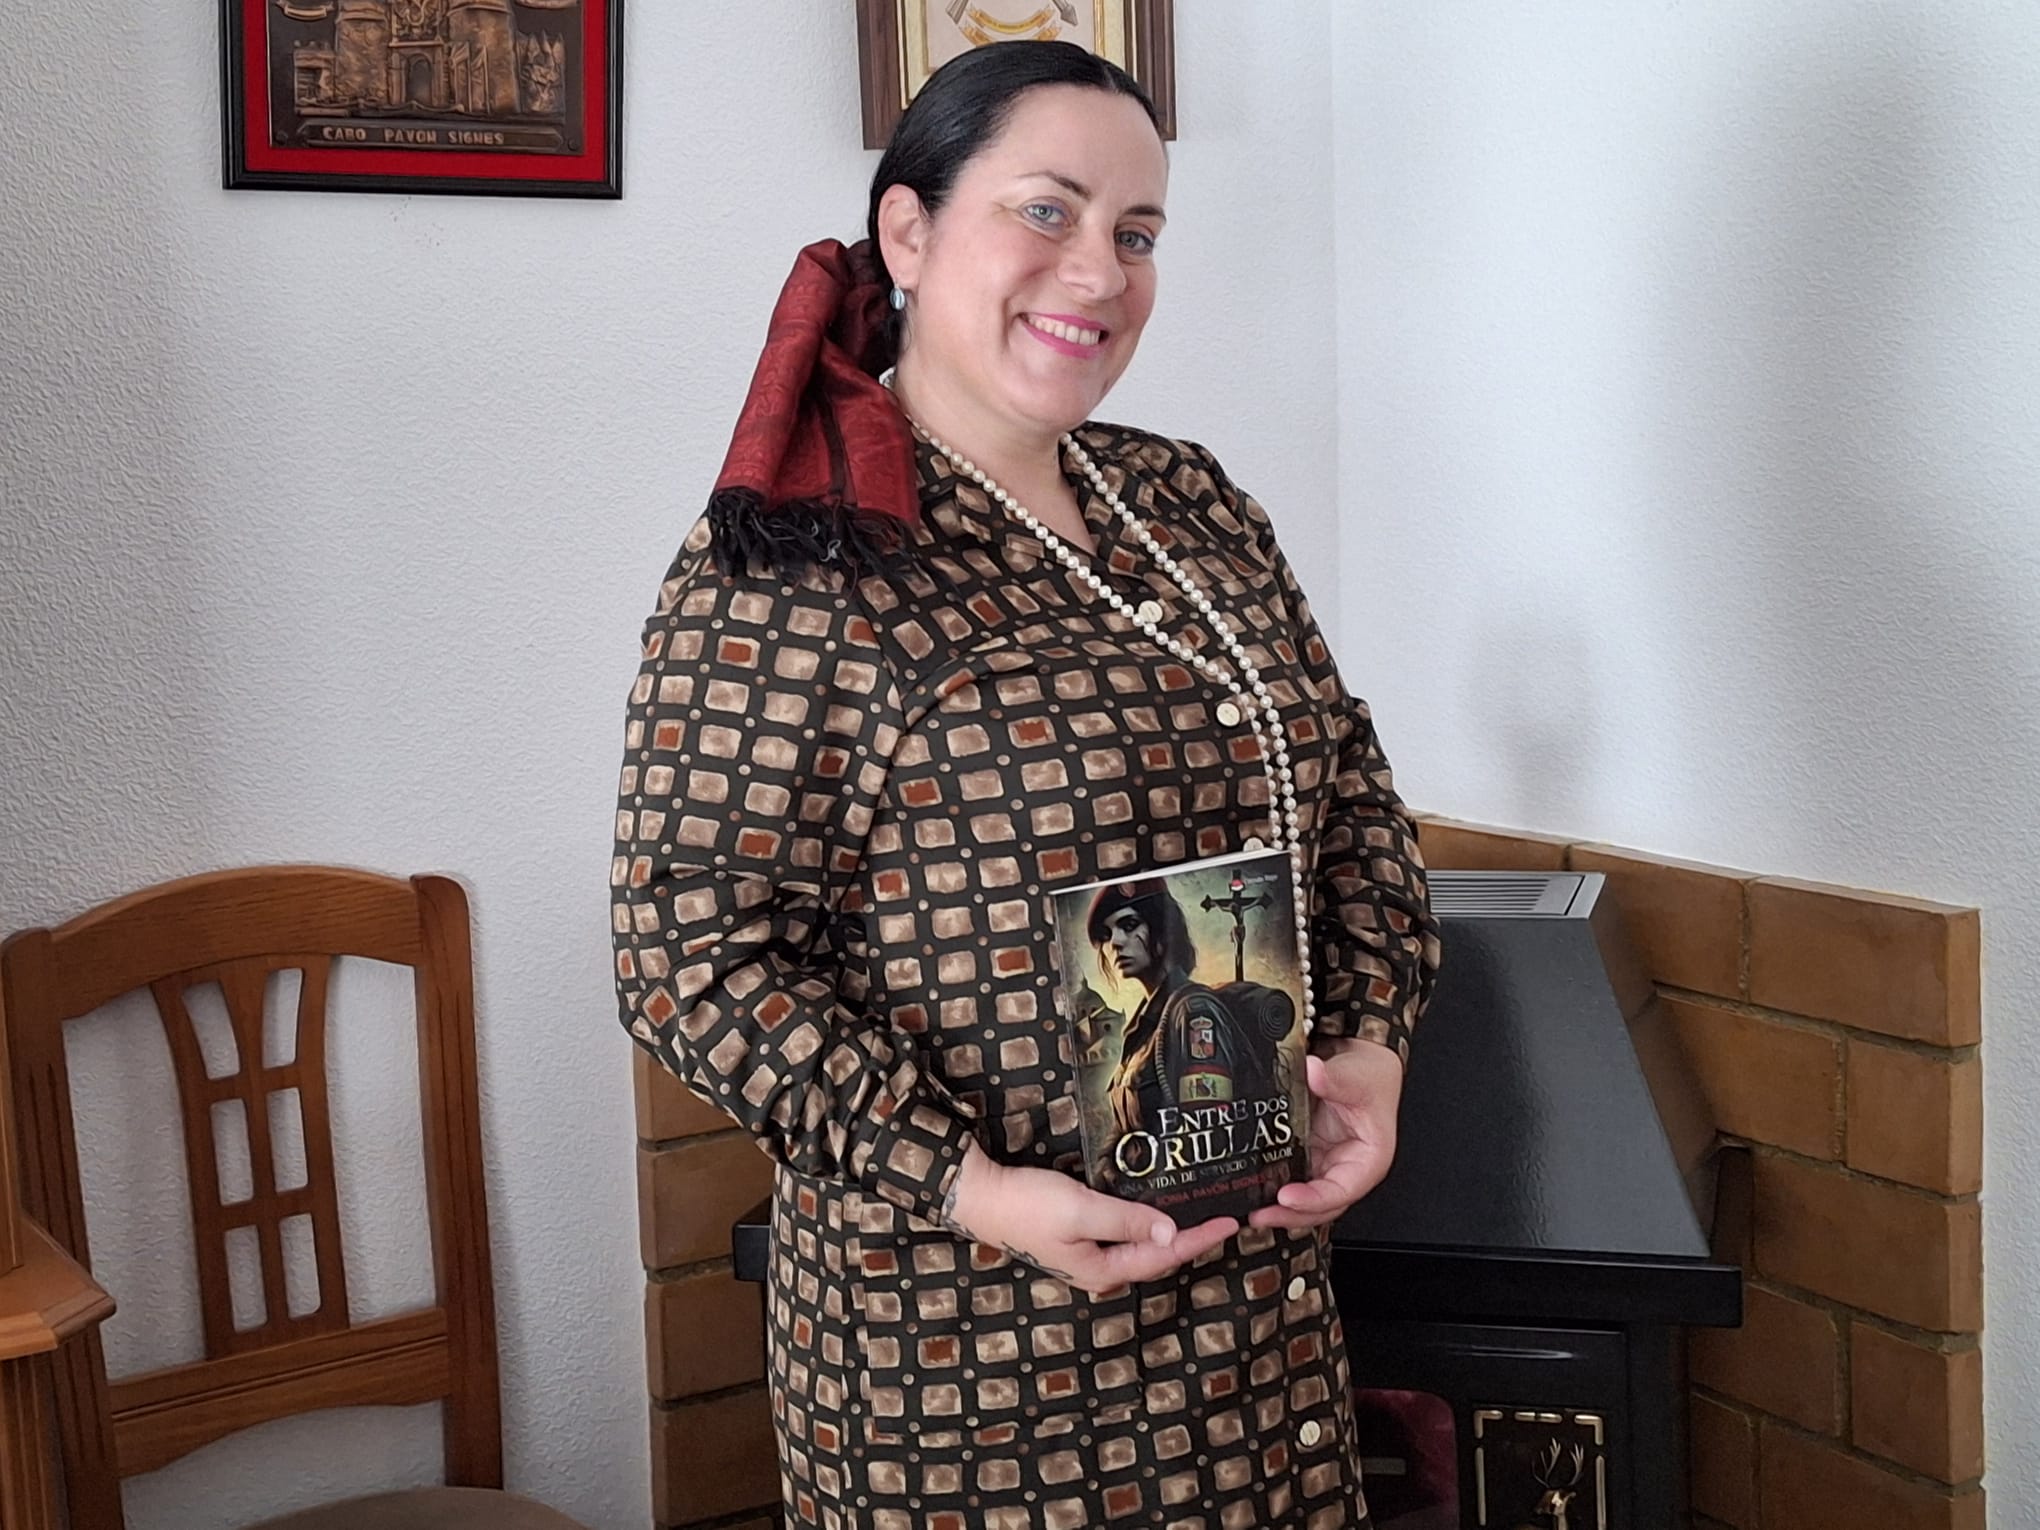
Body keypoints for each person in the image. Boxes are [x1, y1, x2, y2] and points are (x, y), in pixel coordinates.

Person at [612, 39, 1442, 1530]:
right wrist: (972, 1186)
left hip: (1255, 1320)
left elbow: (1354, 805)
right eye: (1046, 211)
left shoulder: (1188, 500)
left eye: (1138, 231)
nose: (1100, 272)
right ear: (909, 232)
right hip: (974, 1355)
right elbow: (687, 955)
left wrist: (1369, 1050)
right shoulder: (800, 558)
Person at [1086, 877, 1294, 1150]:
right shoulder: (1141, 1030)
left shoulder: (1194, 1014)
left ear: (1163, 928)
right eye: (1107, 934)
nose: (1114, 942)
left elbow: (1210, 1135)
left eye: (1129, 925)